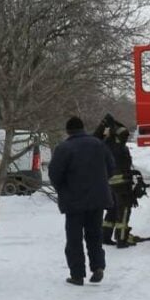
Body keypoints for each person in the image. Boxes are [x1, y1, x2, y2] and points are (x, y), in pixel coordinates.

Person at [48, 116, 115, 286]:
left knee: (74, 239)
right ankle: (98, 267)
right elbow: (111, 167)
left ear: (68, 131)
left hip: (74, 201)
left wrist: (63, 188)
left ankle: (77, 275)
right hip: (97, 199)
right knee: (95, 235)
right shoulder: (99, 144)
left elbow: (54, 174)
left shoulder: (64, 148)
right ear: (83, 128)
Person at [96, 115, 137, 247]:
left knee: (112, 210)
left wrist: (109, 123)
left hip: (109, 185)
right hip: (122, 186)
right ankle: (121, 238)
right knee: (124, 210)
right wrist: (113, 122)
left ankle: (105, 236)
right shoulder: (119, 147)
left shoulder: (104, 144)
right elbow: (124, 166)